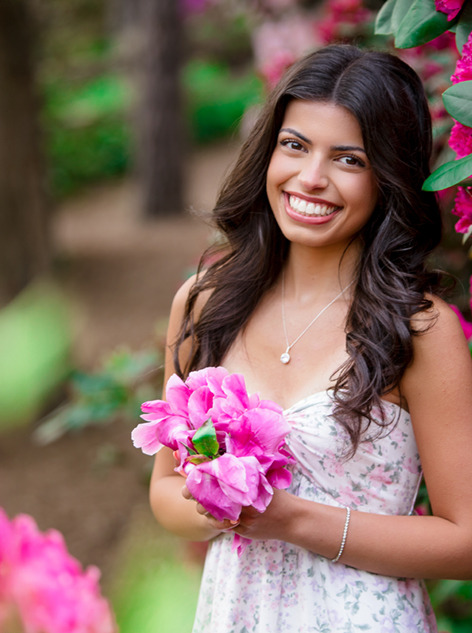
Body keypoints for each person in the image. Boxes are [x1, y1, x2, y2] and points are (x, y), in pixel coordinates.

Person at [149, 44, 472, 632]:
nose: (311, 178)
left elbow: (466, 541)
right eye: (294, 146)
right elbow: (168, 493)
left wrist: (292, 519)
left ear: (389, 176)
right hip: (236, 614)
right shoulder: (206, 302)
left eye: (349, 159)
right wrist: (220, 497)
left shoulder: (420, 329)